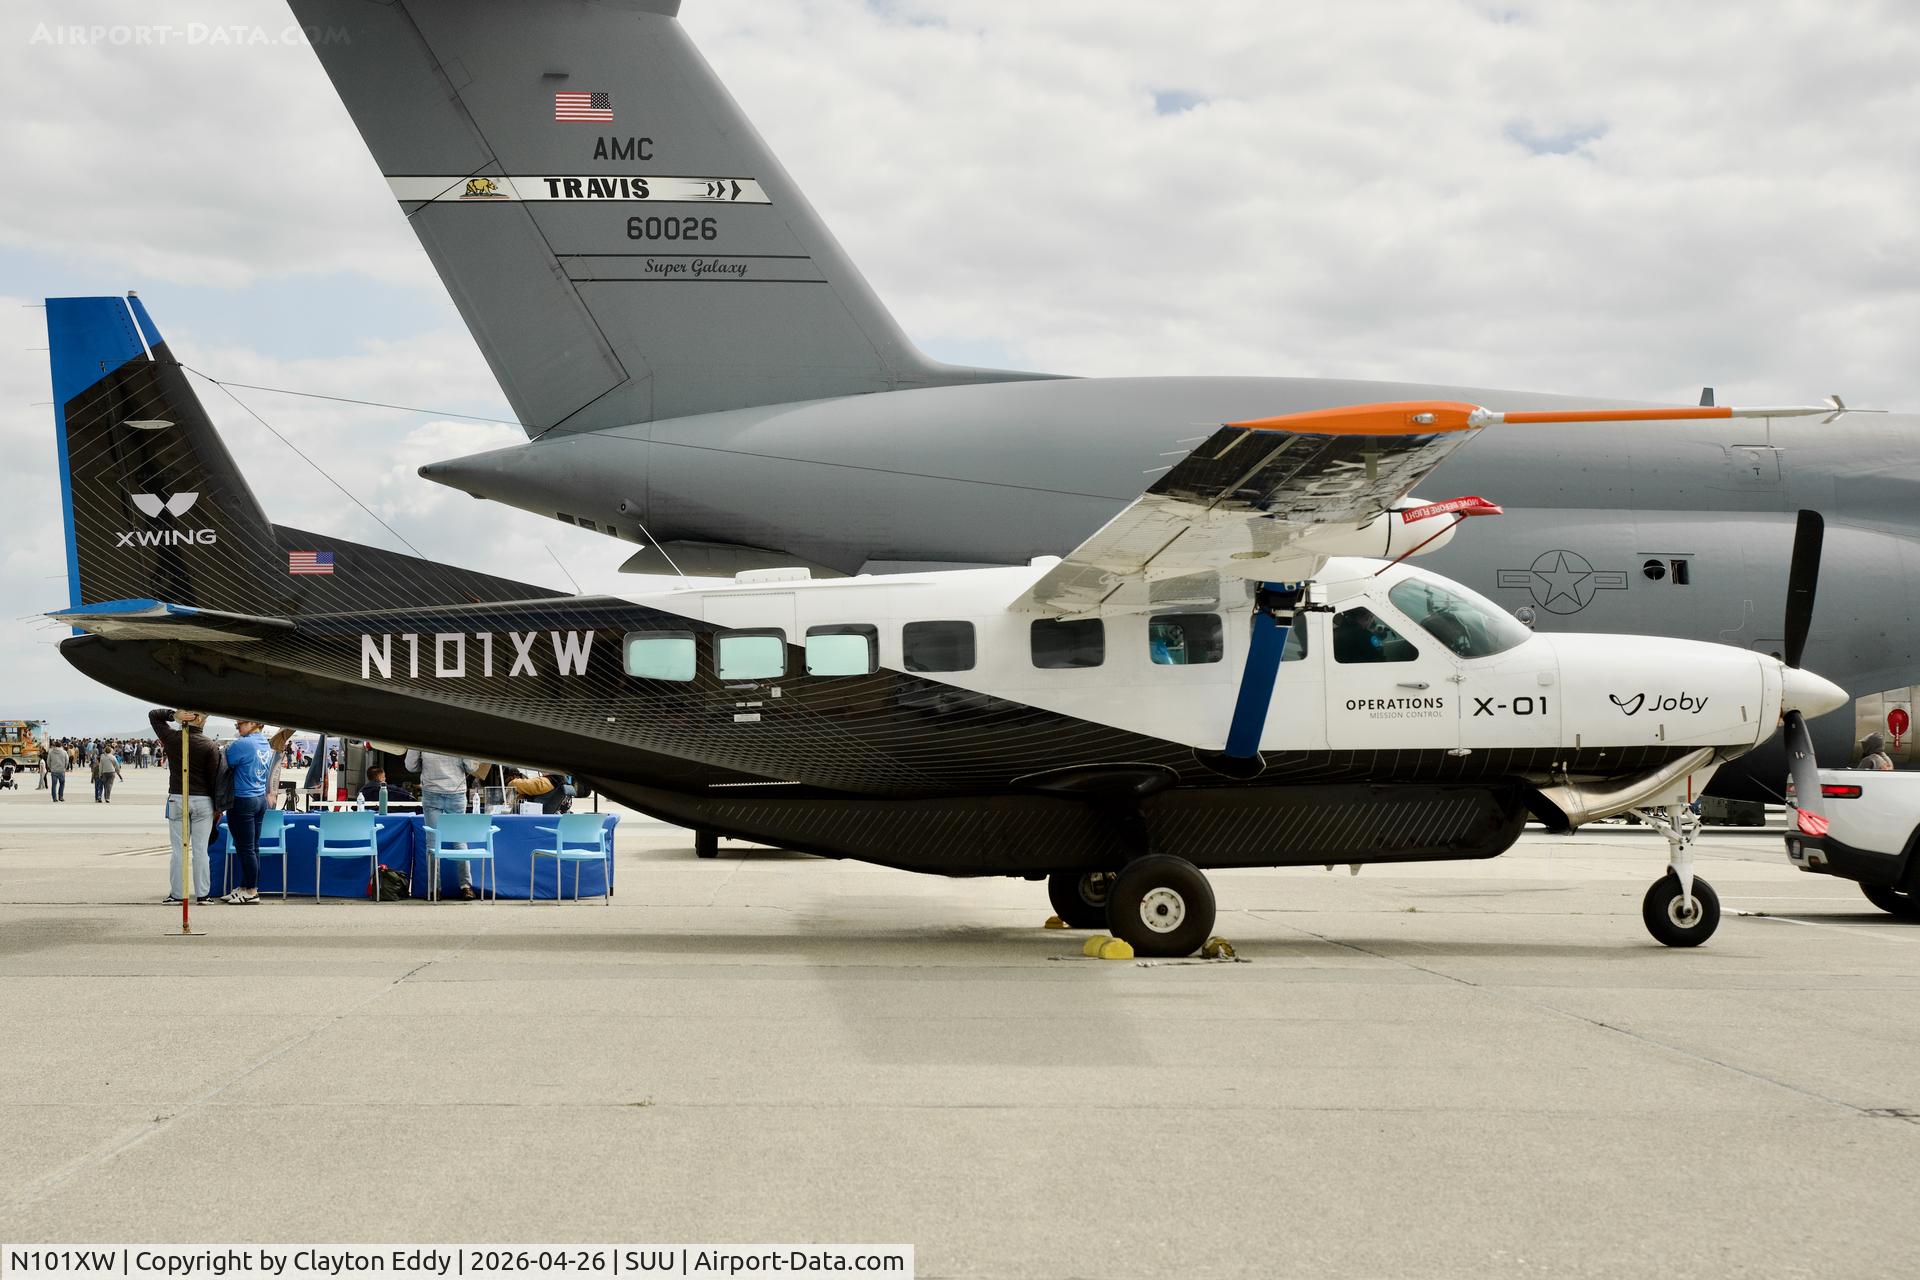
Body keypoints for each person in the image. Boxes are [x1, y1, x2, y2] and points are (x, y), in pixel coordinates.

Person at [150, 708, 226, 904]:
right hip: (203, 801)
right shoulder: (210, 745)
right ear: (201, 720)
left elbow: (153, 716)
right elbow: (214, 780)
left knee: (178, 850)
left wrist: (173, 715)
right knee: (200, 850)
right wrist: (217, 808)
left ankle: (177, 894)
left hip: (177, 797)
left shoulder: (173, 738)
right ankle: (203, 894)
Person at [222, 720, 295, 904]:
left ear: (254, 723)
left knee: (245, 848)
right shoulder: (263, 742)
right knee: (252, 847)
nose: (237, 726)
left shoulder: (243, 743)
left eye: (241, 722)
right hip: (259, 798)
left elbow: (225, 760)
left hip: (243, 798)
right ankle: (246, 886)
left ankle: (252, 890)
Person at [406, 747, 480, 900]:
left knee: (432, 844)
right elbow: (471, 767)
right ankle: (466, 887)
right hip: (456, 792)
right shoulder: (458, 738)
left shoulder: (420, 740)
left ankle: (434, 890)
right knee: (459, 841)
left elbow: (410, 766)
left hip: (431, 791)